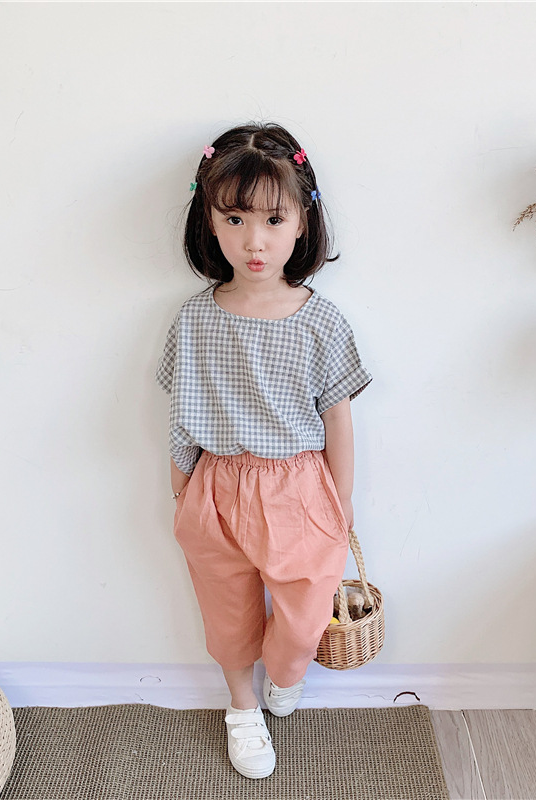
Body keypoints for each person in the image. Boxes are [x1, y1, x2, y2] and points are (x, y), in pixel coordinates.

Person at [155, 123, 372, 779]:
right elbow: (183, 411)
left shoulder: (321, 321)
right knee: (226, 608)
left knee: (305, 615)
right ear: (210, 221)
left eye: (274, 219)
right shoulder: (196, 318)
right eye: (236, 218)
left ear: (302, 222)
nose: (255, 241)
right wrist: (181, 487)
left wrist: (341, 498)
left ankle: (284, 672)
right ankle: (241, 707)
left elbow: (338, 418)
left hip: (299, 487)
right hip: (216, 486)